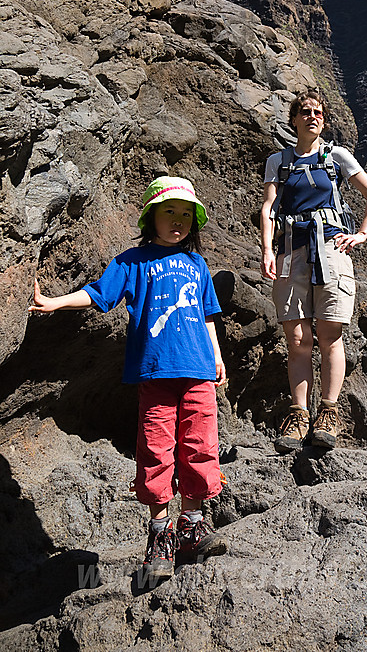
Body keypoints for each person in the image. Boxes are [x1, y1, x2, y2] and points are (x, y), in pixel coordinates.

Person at [29, 176, 228, 585]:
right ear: (150, 217)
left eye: (186, 214)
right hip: (155, 373)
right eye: (168, 212)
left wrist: (218, 356)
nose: (178, 220)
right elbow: (99, 294)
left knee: (201, 445)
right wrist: (56, 302)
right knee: (156, 449)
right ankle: (160, 535)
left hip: (199, 372)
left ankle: (191, 524)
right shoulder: (131, 261)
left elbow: (208, 315)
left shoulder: (197, 264)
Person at [261, 91, 367, 453]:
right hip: (290, 251)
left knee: (330, 333)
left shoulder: (336, 156)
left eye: (318, 113)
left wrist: (361, 235)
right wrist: (267, 249)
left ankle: (327, 414)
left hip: (332, 249)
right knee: (297, 339)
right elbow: (269, 207)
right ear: (294, 119)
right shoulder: (277, 162)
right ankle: (299, 416)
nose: (313, 116)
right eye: (305, 112)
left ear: (323, 121)